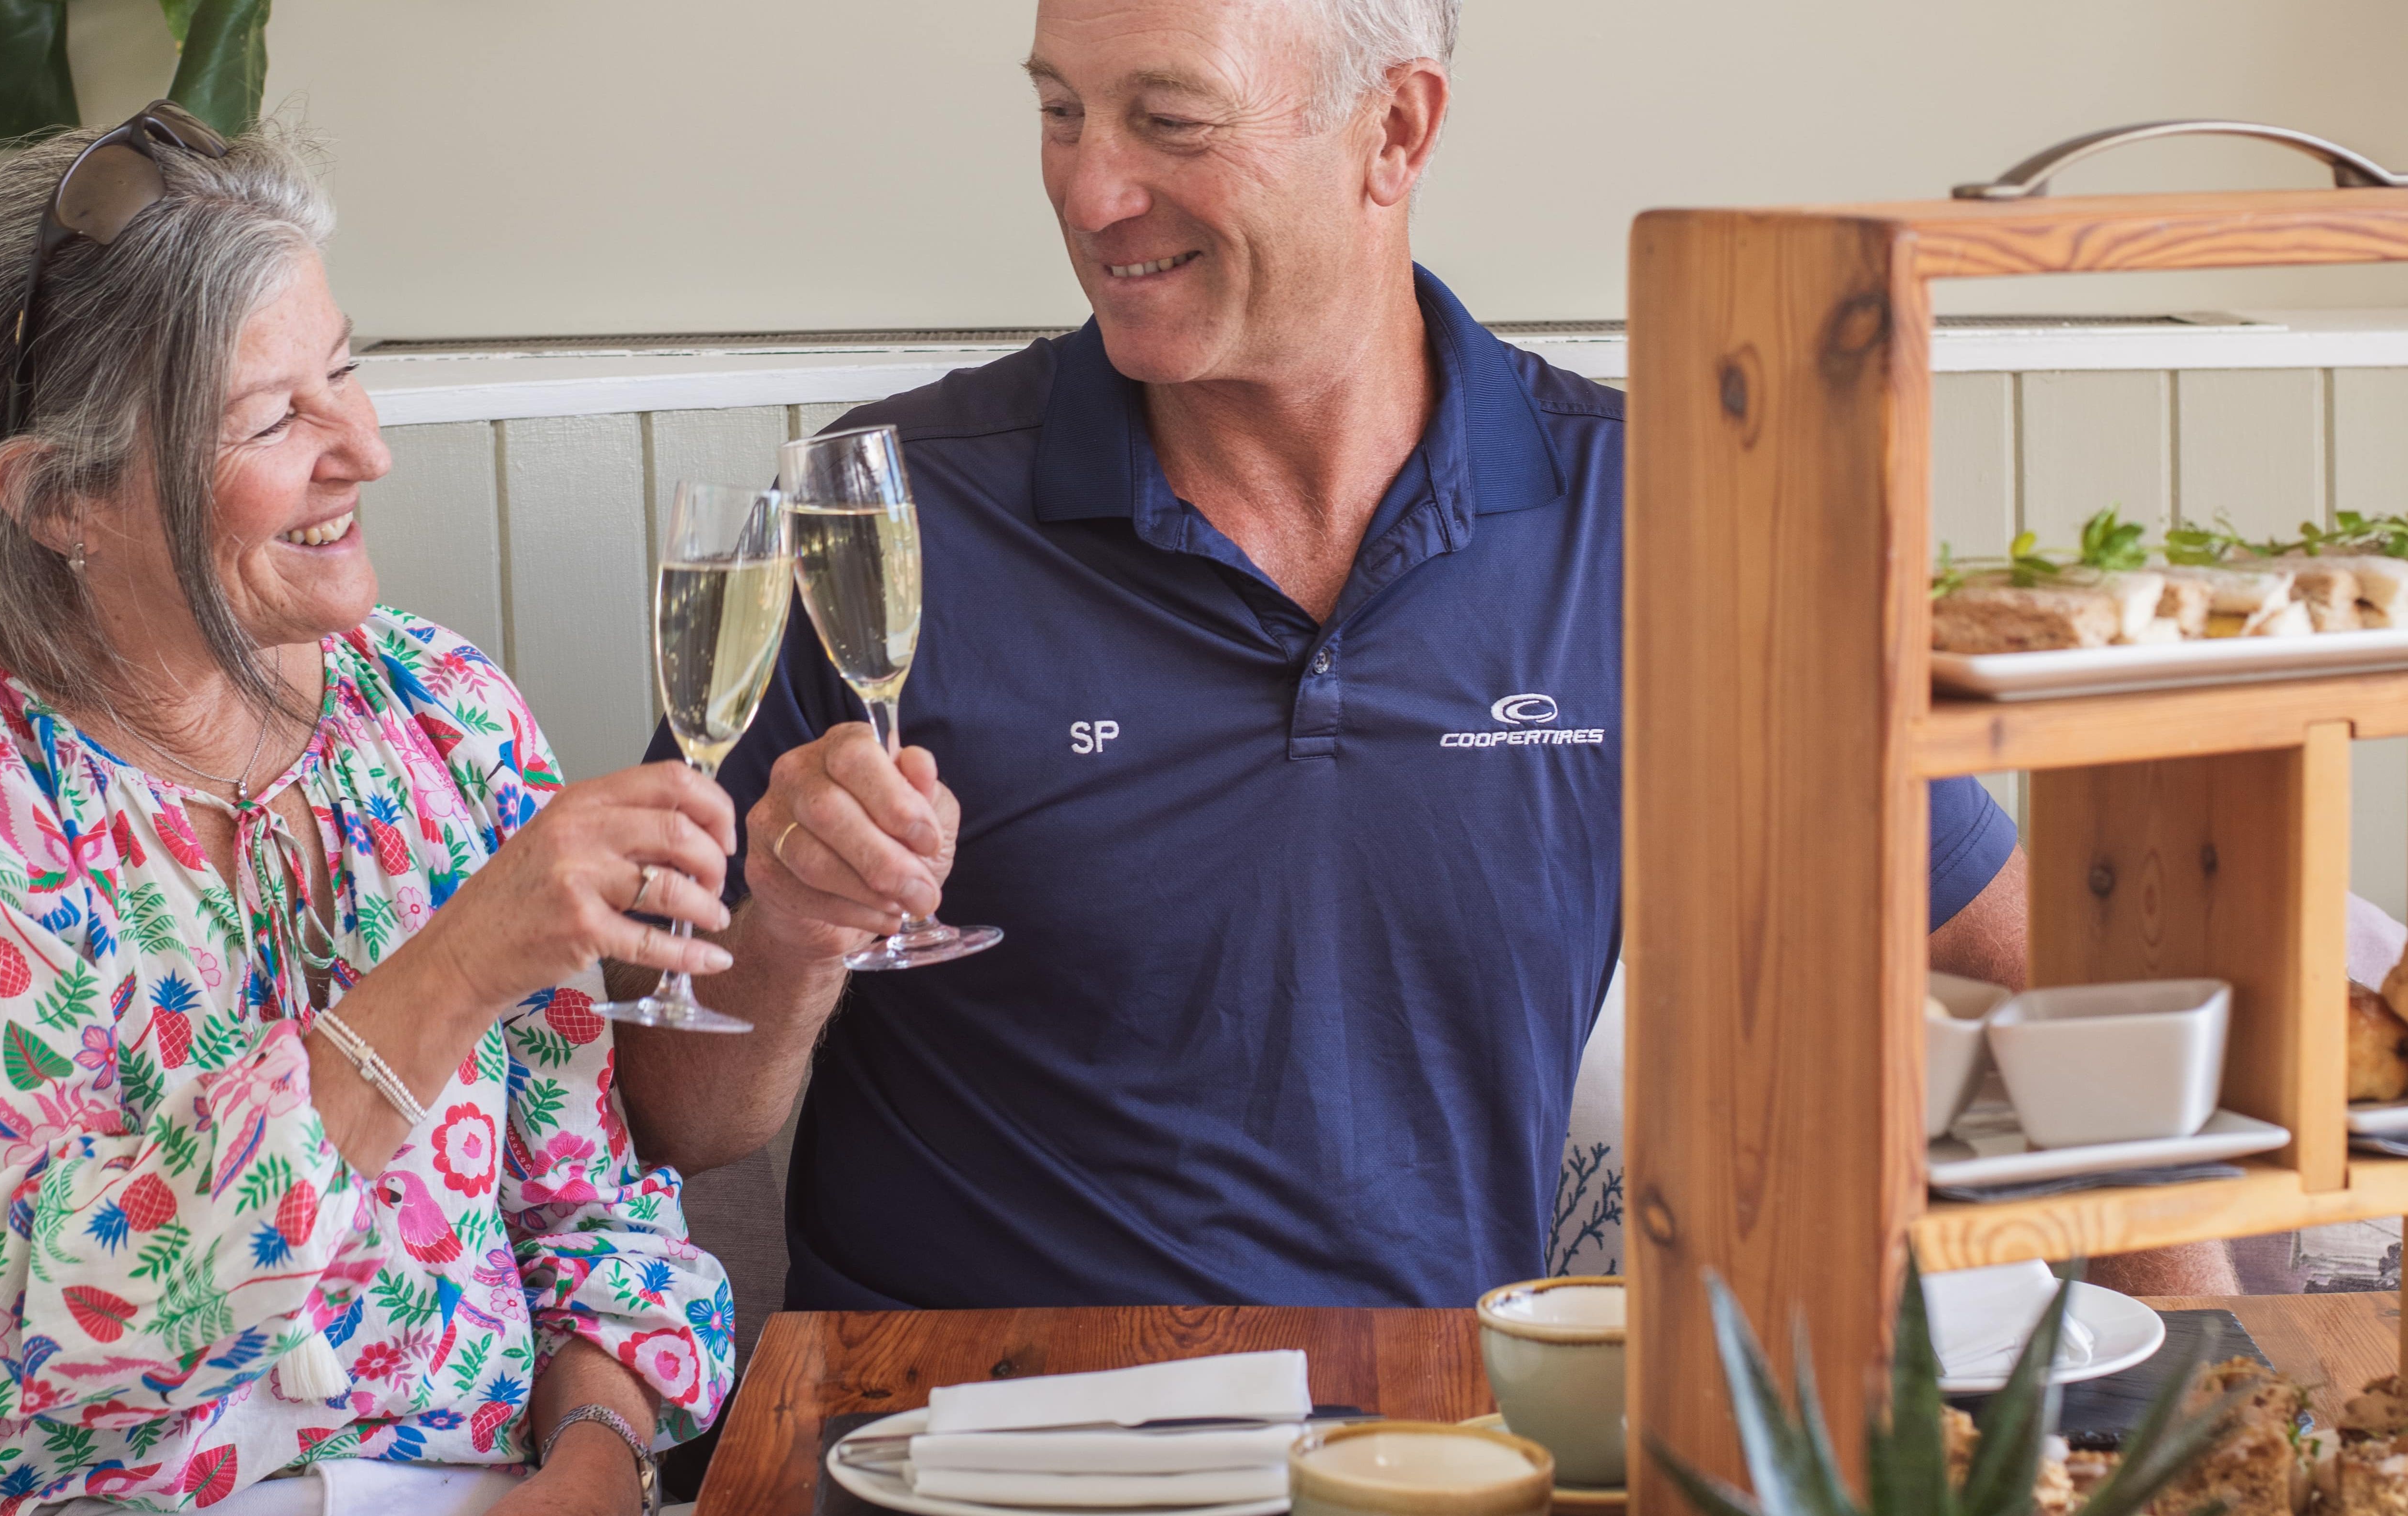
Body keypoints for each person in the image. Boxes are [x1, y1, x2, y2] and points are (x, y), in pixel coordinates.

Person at [615, 0, 2113, 1312]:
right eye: (1059, 113)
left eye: (1169, 119)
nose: (1091, 187)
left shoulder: (1671, 521)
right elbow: (676, 1116)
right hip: (945, 1428)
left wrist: (2215, 1387)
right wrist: (797, 936)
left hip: (1426, 1433)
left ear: (1394, 131)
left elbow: (2064, 981)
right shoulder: (873, 512)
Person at [0, 108, 737, 1516]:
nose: (364, 449)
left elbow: (587, 1211)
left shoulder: (444, 714)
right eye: (277, 417)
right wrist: (453, 969)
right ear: (60, 500)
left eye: (343, 374)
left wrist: (595, 1463)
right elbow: (29, 1324)